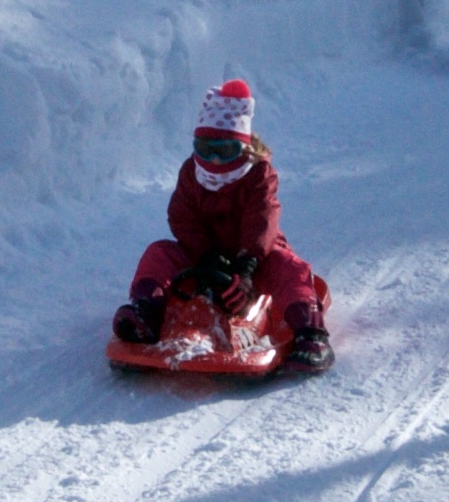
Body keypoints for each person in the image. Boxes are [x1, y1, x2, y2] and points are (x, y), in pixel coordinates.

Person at [113, 77, 333, 371]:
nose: (215, 160)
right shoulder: (192, 172)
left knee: (289, 267)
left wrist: (246, 267)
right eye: (206, 149)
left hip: (253, 257)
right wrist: (205, 255)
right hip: (203, 257)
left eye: (225, 150)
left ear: (242, 148)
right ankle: (144, 312)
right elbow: (182, 216)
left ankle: (311, 332)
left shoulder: (258, 173)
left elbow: (262, 217)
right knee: (159, 253)